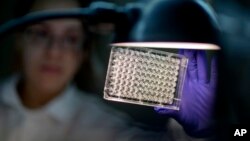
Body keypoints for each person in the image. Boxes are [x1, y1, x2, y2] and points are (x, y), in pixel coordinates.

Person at [0, 0, 218, 140]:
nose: (54, 52)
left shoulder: (104, 128)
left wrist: (194, 134)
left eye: (71, 38)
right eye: (41, 33)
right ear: (19, 39)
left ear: (83, 51)